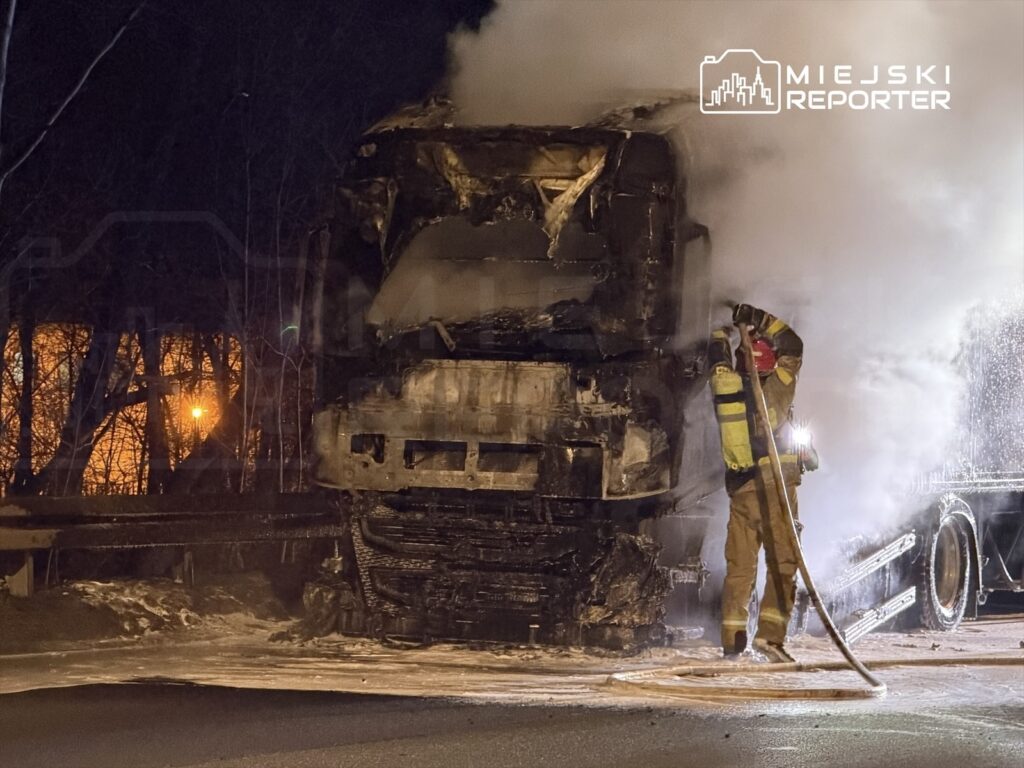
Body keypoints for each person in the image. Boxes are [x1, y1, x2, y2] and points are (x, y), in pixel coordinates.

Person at [709, 303, 810, 663]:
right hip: (776, 490)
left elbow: (716, 356)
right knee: (783, 564)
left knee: (740, 568)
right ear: (770, 361)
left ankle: (732, 640)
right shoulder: (779, 386)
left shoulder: (724, 383)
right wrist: (757, 317)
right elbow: (793, 344)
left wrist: (721, 330)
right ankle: (770, 639)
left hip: (742, 491)